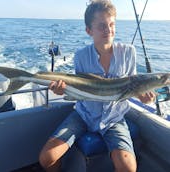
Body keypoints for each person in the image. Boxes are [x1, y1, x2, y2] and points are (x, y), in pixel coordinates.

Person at [39, 0, 156, 172]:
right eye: (101, 25)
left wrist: (143, 96)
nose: (108, 30)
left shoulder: (128, 52)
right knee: (46, 157)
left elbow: (131, 87)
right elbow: (80, 90)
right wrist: (62, 90)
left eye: (111, 24)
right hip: (84, 115)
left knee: (128, 167)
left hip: (114, 119)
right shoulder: (81, 56)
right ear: (89, 30)